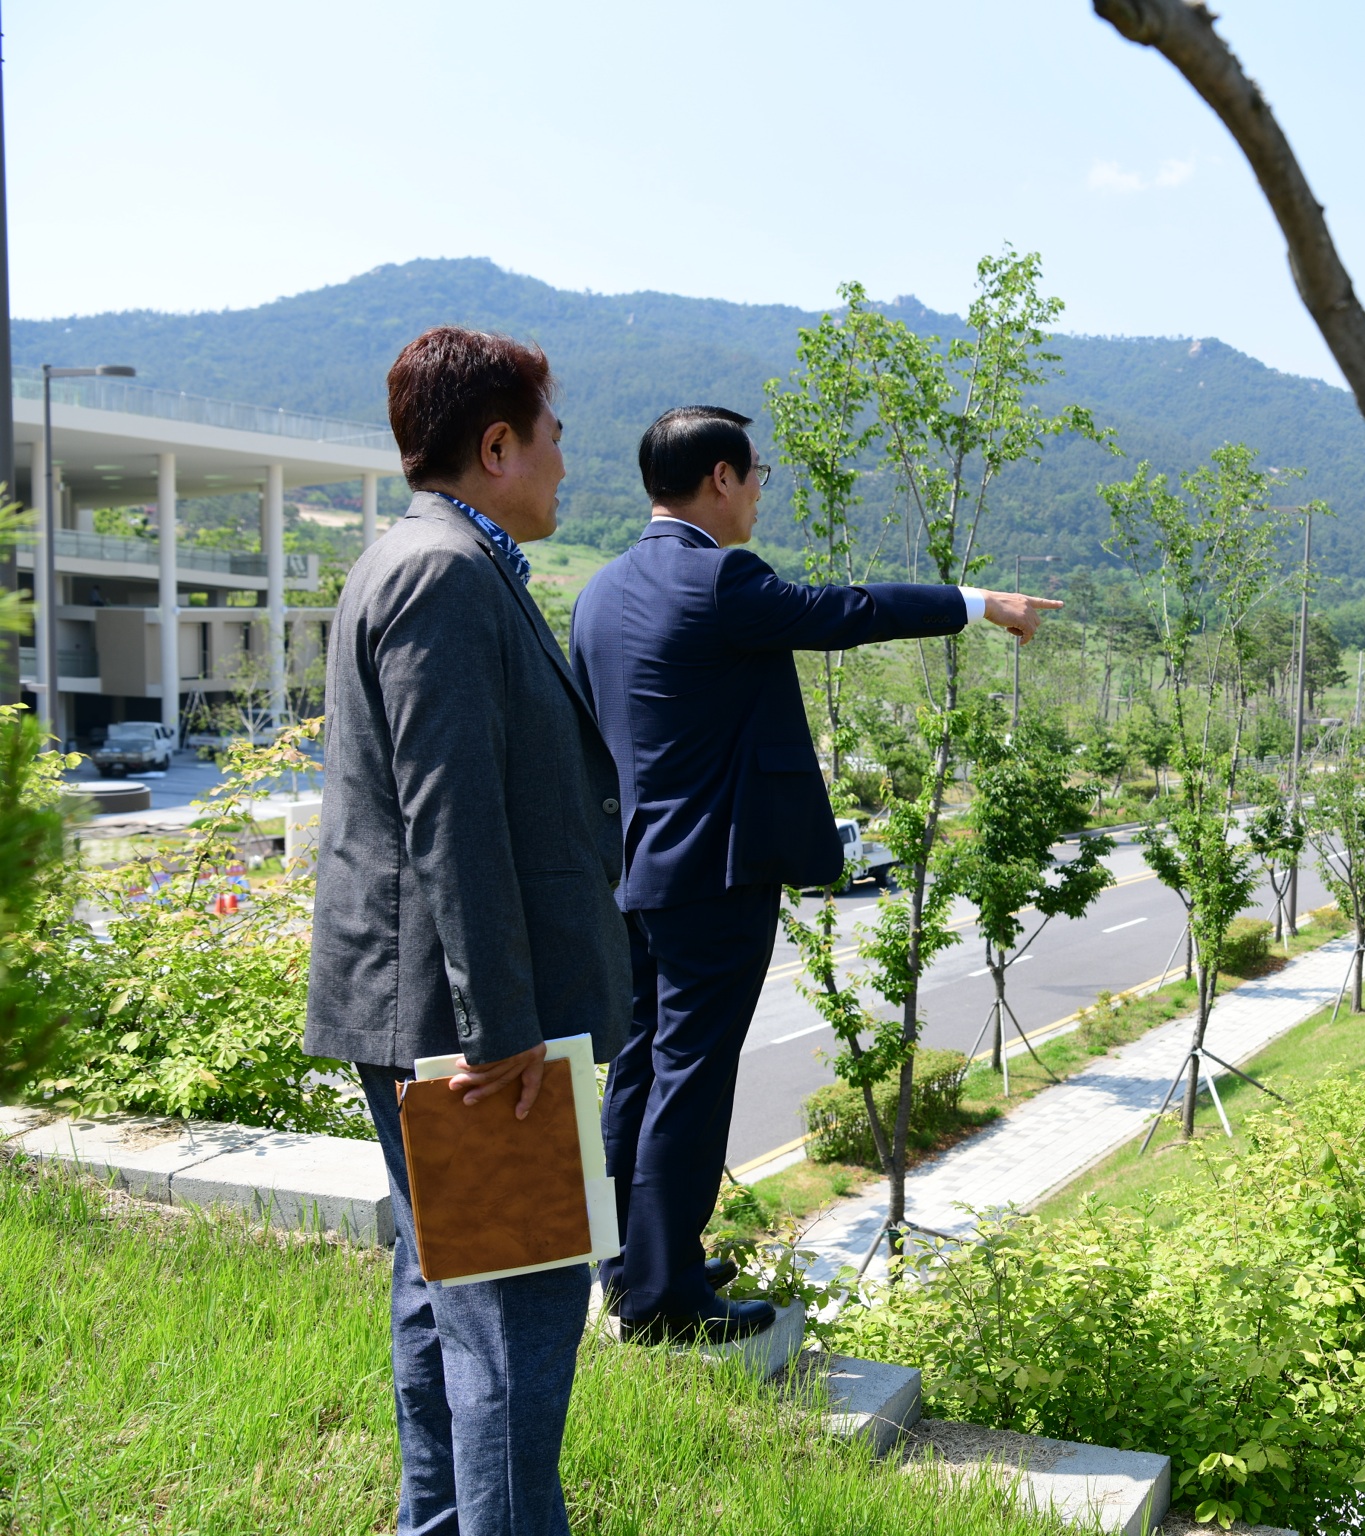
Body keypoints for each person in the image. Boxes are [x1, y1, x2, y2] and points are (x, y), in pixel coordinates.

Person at [569, 405, 1056, 1343]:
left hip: (635, 873)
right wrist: (976, 603)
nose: (758, 492)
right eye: (754, 474)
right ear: (718, 478)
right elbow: (847, 612)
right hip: (715, 875)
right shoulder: (720, 577)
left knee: (640, 1070)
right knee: (690, 1079)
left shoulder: (600, 591)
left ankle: (632, 1262)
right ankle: (665, 1299)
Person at [305, 327, 629, 1535]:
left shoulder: (428, 561)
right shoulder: (442, 573)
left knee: (448, 1299)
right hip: (473, 1031)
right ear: (496, 445)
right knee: (510, 1332)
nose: (564, 464)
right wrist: (501, 1035)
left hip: (437, 1016)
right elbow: (454, 821)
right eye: (551, 439)